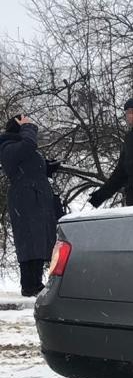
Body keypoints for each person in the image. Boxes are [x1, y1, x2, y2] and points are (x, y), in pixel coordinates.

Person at [0, 115, 60, 296]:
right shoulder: (7, 147)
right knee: (29, 240)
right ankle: (28, 284)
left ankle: (35, 282)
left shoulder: (20, 148)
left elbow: (29, 165)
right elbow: (28, 146)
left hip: (36, 197)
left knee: (40, 239)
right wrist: (28, 127)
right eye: (25, 124)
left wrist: (47, 167)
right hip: (25, 199)